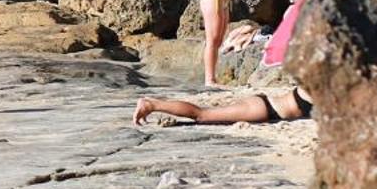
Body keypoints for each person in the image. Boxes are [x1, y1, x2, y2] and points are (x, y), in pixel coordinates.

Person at [134, 87, 313, 126]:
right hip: (264, 109)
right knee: (202, 115)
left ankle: (153, 104)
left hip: (265, 107)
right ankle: (152, 104)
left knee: (203, 114)